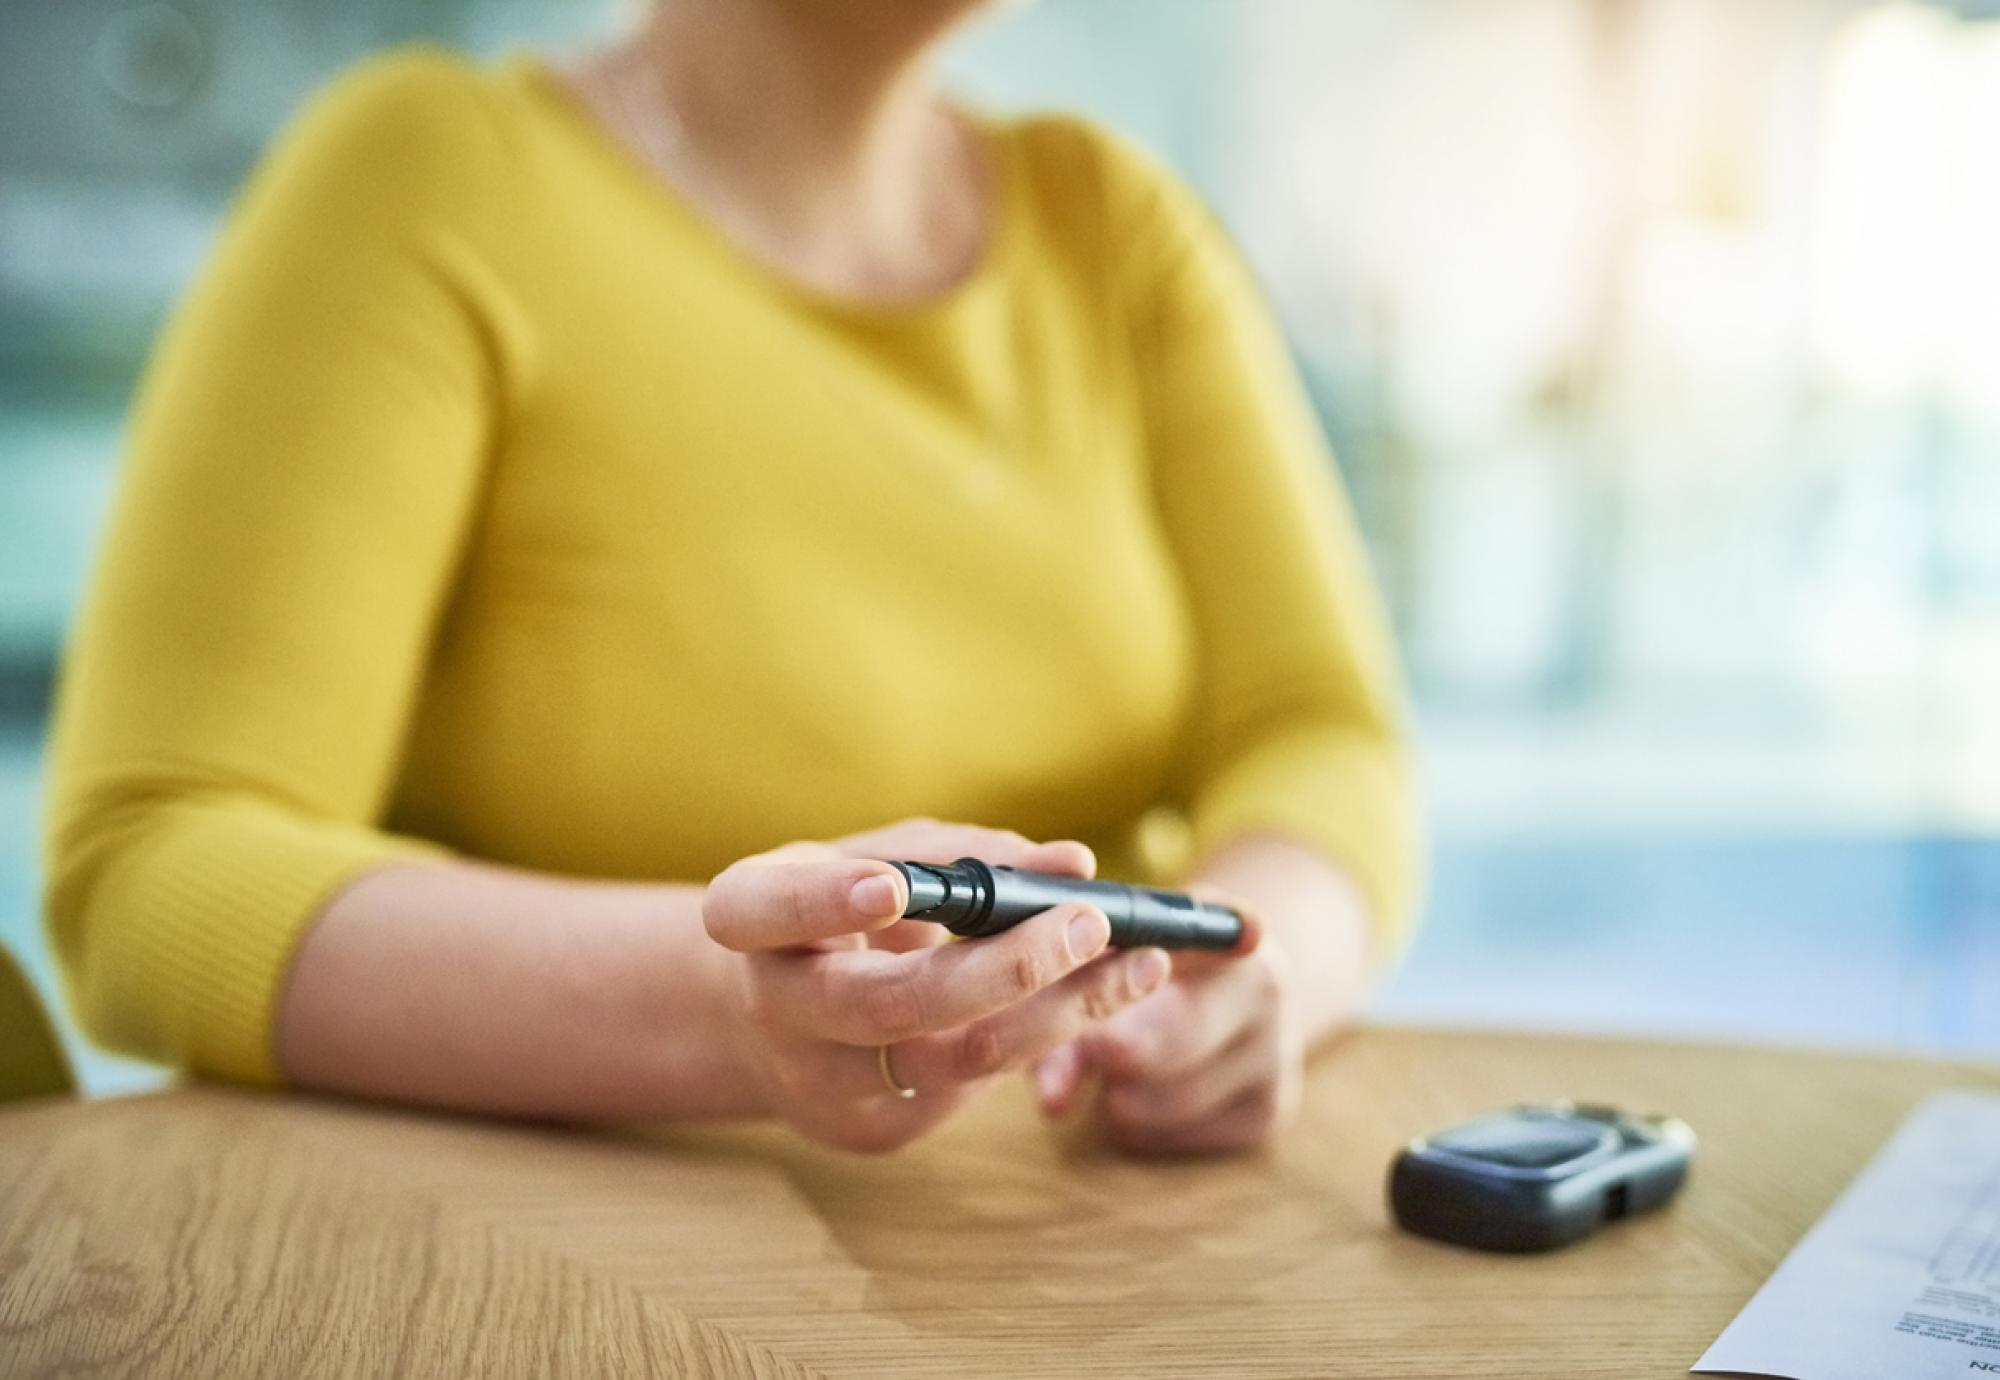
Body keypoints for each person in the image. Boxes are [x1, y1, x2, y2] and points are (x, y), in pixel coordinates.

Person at [43, 0, 1417, 1156]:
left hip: (1073, 1259)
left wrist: (1252, 972)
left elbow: (1321, 734)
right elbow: (157, 861)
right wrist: (719, 1013)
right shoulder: (430, 174)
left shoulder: (1117, 228)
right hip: (545, 1273)